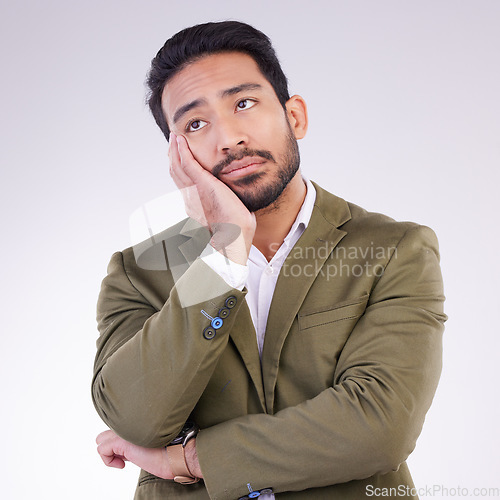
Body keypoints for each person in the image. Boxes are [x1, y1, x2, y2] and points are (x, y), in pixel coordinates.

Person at [92, 21, 446, 500]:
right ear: (178, 155)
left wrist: (191, 459)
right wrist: (224, 252)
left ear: (294, 116)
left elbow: (382, 424)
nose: (228, 138)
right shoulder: (138, 273)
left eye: (244, 103)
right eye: (195, 124)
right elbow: (135, 416)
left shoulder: (394, 248)